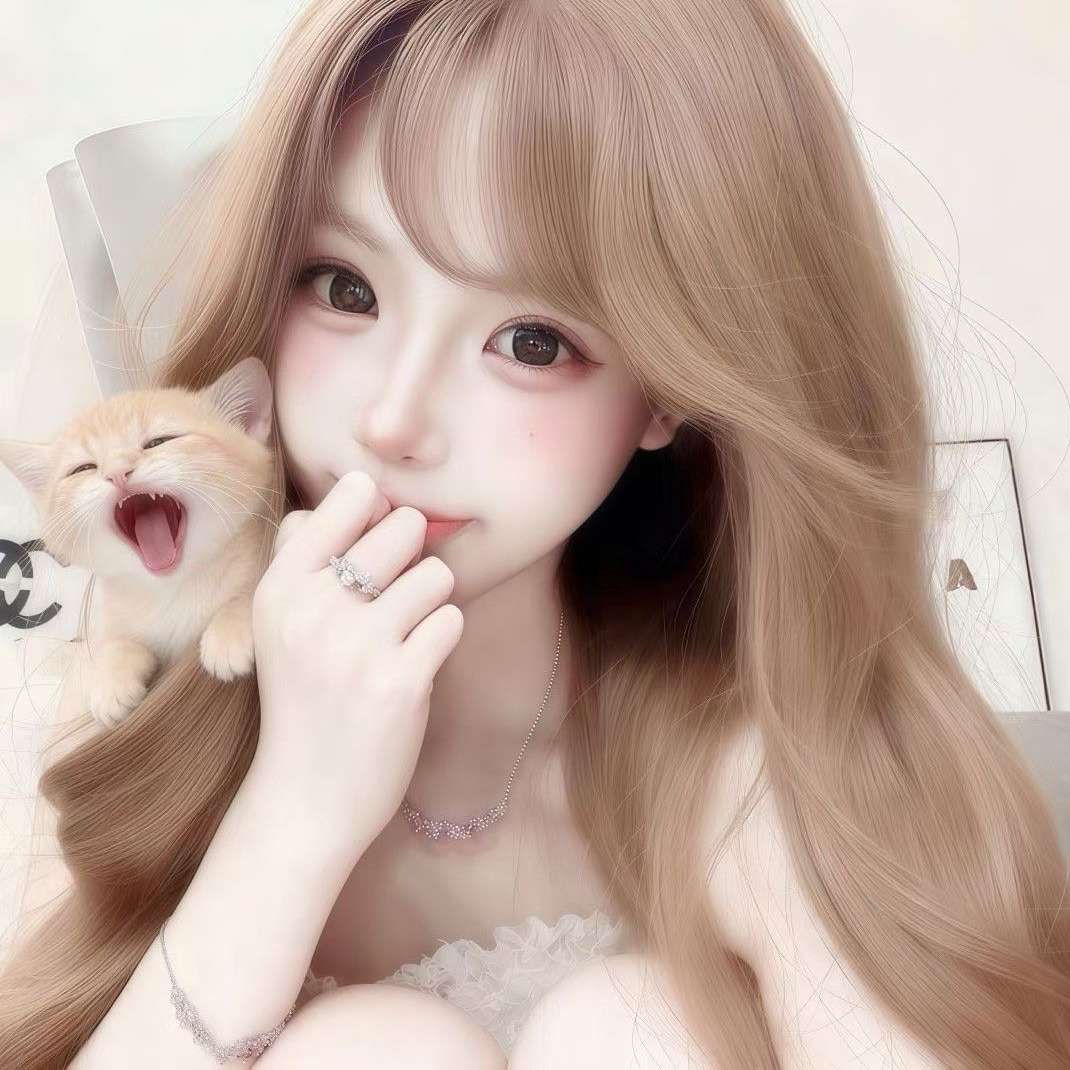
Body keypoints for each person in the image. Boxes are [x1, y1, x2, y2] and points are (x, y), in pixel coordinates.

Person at [2, 0, 1069, 1066]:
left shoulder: (755, 771)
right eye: (345, 287)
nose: (393, 420)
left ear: (670, 386)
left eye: (532, 341)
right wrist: (291, 811)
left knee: (623, 1030)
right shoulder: (148, 717)